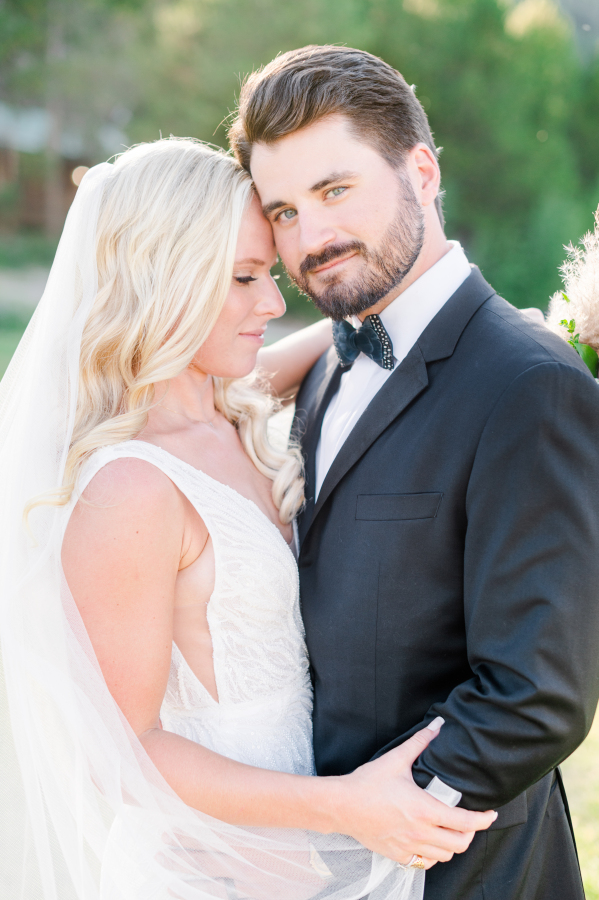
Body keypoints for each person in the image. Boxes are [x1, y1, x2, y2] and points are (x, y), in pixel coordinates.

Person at [0, 138, 495, 900]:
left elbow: (325, 349)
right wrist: (345, 808)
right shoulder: (131, 487)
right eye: (241, 278)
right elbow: (122, 750)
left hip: (308, 850)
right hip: (220, 869)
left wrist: (488, 337)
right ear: (157, 278)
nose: (271, 302)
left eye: (267, 272)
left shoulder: (228, 411)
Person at [229, 44, 599, 900]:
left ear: (421, 173)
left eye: (334, 190)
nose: (309, 239)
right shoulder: (326, 360)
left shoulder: (529, 384)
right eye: (282, 212)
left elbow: (533, 693)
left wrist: (366, 835)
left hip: (457, 871)